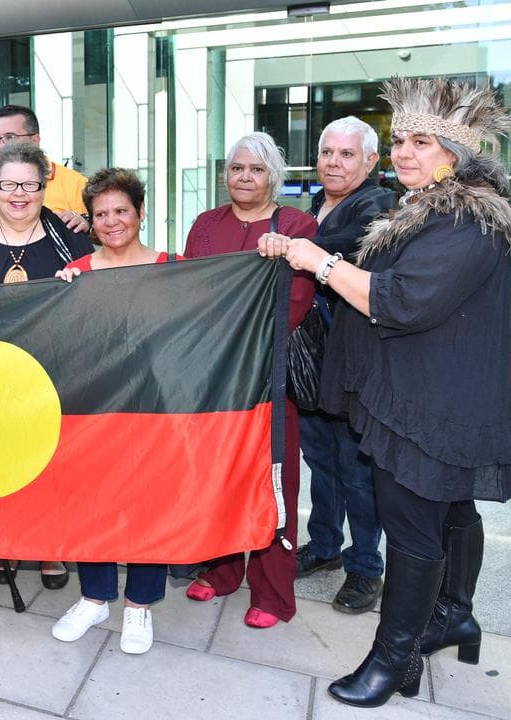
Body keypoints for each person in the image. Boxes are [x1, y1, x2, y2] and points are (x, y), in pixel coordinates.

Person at [260, 77, 511, 708]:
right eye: (400, 139)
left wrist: (315, 261)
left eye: (422, 142)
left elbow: (400, 302)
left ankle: (394, 659)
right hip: (430, 394)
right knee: (455, 511)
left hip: (428, 406)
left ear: (455, 154)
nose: (406, 151)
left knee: (411, 528)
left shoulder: (466, 222)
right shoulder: (429, 209)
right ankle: (454, 616)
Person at [182, 131, 316, 628]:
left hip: (267, 375)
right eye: (237, 167)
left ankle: (273, 593)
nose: (244, 177)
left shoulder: (297, 225)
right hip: (214, 375)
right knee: (216, 476)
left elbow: (296, 303)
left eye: (256, 169)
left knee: (273, 480)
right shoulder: (205, 224)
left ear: (272, 177)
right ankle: (219, 573)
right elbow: (189, 293)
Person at [0, 141, 92, 589]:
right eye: (9, 185)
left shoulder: (74, 243)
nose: (19, 195)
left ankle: (49, 550)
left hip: (56, 376)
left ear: (45, 186)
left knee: (52, 468)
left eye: (30, 185)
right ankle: (4, 544)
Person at [50, 168, 169, 654]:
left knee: (148, 503)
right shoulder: (76, 274)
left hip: (154, 407)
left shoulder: (172, 266)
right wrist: (57, 297)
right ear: (91, 221)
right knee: (91, 500)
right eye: (101, 214)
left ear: (140, 213)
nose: (113, 221)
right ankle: (96, 596)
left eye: (122, 211)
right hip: (93, 407)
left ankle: (140, 606)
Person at [295, 116, 396, 614]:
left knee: (357, 472)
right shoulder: (318, 204)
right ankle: (324, 546)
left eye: (347, 154)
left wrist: (295, 246)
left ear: (370, 162)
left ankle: (364, 569)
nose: (334, 162)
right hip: (313, 361)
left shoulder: (377, 205)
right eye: (328, 153)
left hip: (353, 364)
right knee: (320, 462)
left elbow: (350, 247)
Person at [0, 105, 90, 234]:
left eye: (10, 137)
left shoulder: (77, 185)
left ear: (35, 140)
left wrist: (88, 225)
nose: (1, 146)